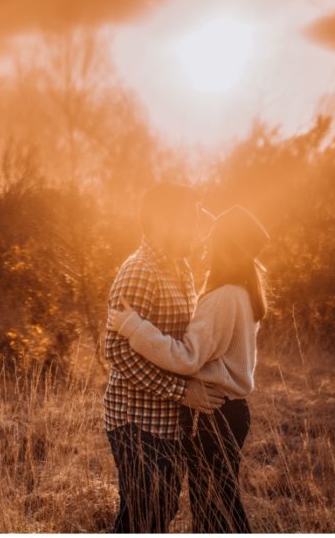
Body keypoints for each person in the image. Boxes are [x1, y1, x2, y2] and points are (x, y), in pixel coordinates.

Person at [108, 204, 270, 533]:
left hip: (217, 414)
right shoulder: (242, 291)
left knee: (216, 508)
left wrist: (135, 328)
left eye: (212, 241)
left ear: (225, 248)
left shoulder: (224, 296)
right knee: (216, 503)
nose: (204, 245)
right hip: (227, 411)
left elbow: (187, 358)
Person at [103, 182, 226, 533]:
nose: (198, 228)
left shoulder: (180, 266)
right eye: (190, 218)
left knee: (160, 508)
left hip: (168, 421)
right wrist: (182, 392)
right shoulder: (139, 270)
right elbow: (116, 351)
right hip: (137, 421)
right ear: (164, 221)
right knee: (145, 516)